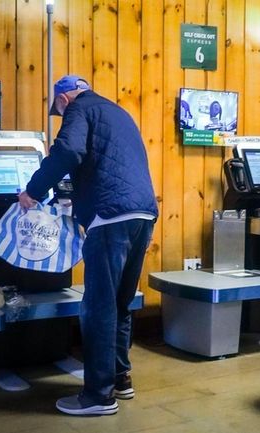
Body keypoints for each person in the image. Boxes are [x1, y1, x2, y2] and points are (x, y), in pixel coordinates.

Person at [18, 75, 158, 416]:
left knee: (98, 306)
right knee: (122, 301)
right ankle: (120, 379)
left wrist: (32, 191)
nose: (60, 112)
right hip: (143, 213)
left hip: (110, 217)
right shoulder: (116, 111)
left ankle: (98, 396)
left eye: (58, 108)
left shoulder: (78, 109)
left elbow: (68, 150)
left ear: (64, 99)